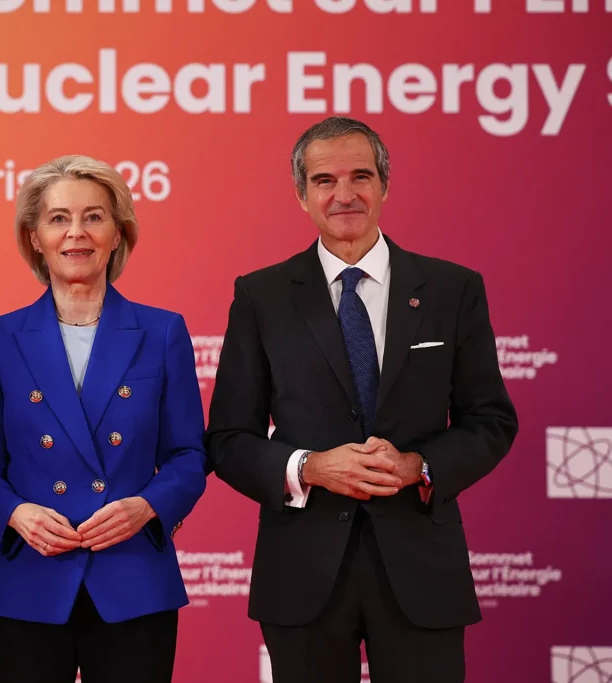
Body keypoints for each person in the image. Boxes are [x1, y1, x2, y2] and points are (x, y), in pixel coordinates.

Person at [204, 116, 518, 683]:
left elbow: (491, 419)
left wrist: (419, 466)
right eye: (324, 180)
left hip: (422, 567)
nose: (343, 194)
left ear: (385, 185)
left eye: (360, 177)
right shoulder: (260, 296)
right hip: (302, 572)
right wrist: (311, 468)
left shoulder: (453, 289)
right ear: (301, 194)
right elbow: (228, 439)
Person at [0, 154, 207, 683]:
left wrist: (146, 506)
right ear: (35, 238)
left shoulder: (162, 332)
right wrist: (15, 513)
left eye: (94, 217)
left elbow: (188, 455)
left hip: (133, 578)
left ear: (118, 234)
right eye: (59, 219)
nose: (77, 233)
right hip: (30, 576)